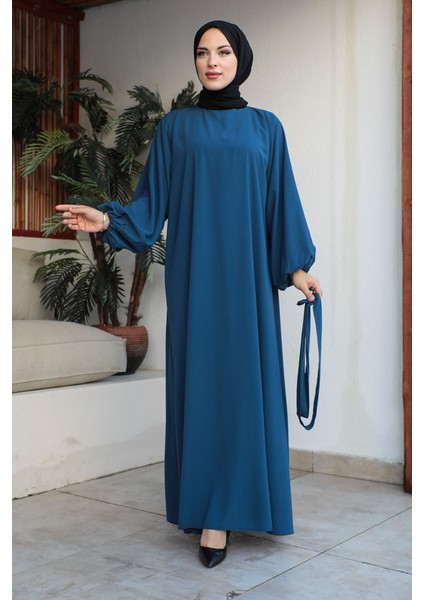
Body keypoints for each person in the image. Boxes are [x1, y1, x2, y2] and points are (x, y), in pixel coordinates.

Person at [56, 20, 322, 569]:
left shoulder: (266, 127)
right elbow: (151, 205)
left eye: (222, 51)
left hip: (248, 283)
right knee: (203, 391)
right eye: (202, 53)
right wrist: (106, 219)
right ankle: (212, 517)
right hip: (197, 278)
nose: (212, 61)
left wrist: (296, 270)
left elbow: (279, 203)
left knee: (245, 390)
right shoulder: (175, 128)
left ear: (240, 59)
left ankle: (244, 504)